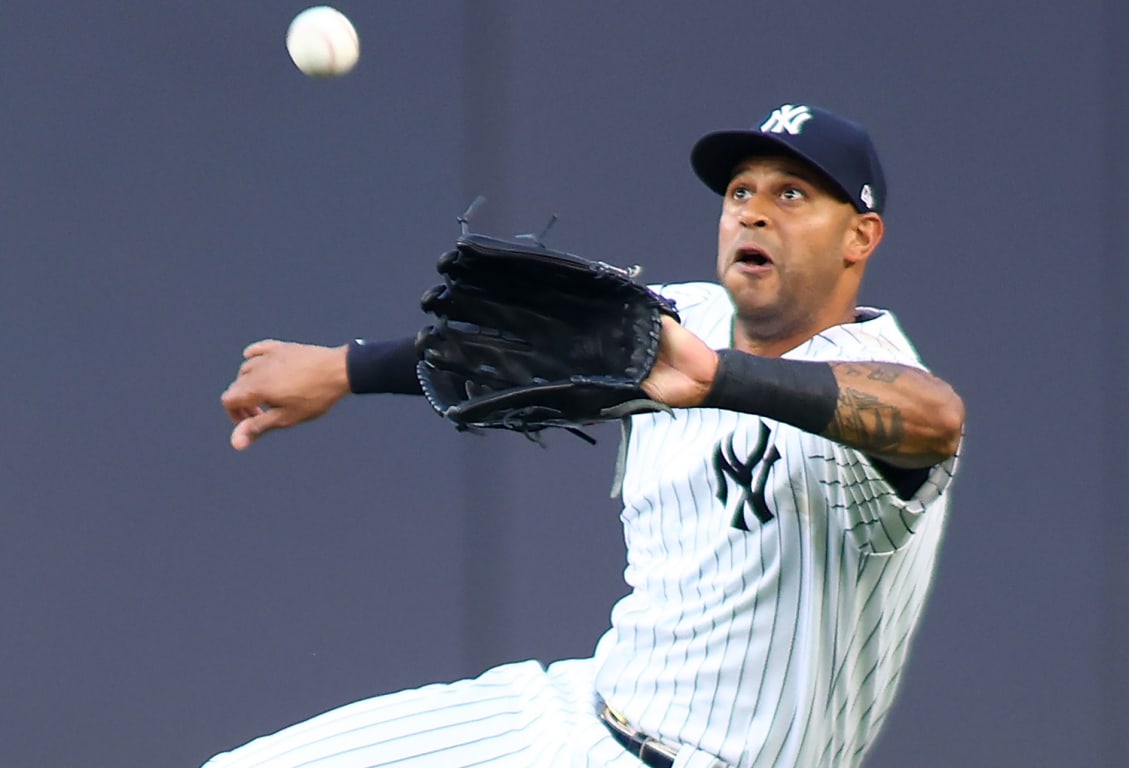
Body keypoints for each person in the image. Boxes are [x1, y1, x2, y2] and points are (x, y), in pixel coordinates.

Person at [212, 103, 965, 768]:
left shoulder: (872, 374)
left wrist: (721, 382)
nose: (752, 213)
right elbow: (523, 354)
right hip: (574, 713)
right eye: (740, 192)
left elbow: (937, 421)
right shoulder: (687, 318)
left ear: (860, 236)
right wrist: (344, 368)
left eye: (791, 193)